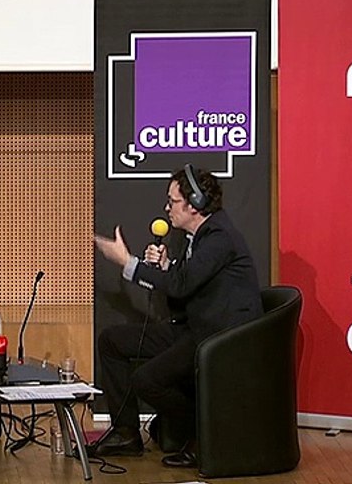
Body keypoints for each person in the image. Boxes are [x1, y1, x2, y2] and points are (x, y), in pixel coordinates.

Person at [91, 165, 262, 468]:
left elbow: (183, 286)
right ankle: (126, 432)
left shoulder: (219, 236)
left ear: (195, 203)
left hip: (217, 338)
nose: (167, 208)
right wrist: (167, 267)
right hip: (193, 328)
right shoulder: (198, 237)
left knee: (145, 379)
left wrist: (128, 263)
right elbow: (188, 284)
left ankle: (205, 429)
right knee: (112, 341)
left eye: (173, 201)